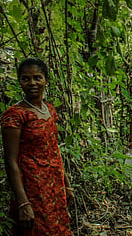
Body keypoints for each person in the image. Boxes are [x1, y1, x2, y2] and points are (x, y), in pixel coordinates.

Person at [1, 57, 73, 235]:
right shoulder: (15, 115)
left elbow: (54, 149)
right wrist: (23, 202)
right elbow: (11, 161)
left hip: (55, 186)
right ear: (20, 82)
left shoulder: (50, 109)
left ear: (46, 80)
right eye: (26, 78)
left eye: (37, 78)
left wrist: (67, 184)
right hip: (33, 189)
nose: (32, 83)